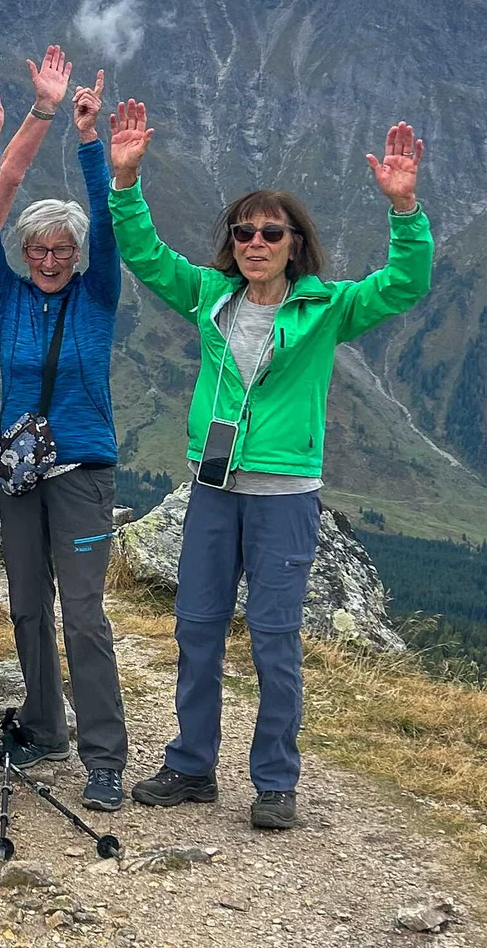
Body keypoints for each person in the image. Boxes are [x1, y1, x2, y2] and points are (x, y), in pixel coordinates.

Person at [106, 103, 433, 831]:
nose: (255, 243)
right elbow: (145, 253)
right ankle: (192, 767)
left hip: (285, 495)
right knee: (196, 628)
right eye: (243, 232)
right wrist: (124, 180)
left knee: (275, 639)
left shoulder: (328, 308)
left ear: (294, 245)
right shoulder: (209, 296)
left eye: (270, 233)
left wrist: (404, 207)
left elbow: (405, 283)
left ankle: (276, 783)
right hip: (214, 489)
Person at [0, 45, 128, 810]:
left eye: (63, 248)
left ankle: (105, 757)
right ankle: (43, 722)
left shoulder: (97, 296)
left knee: (84, 613)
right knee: (27, 603)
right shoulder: (10, 294)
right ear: (25, 253)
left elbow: (111, 223)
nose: (52, 258)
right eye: (39, 248)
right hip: (19, 475)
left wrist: (89, 138)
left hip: (82, 473)